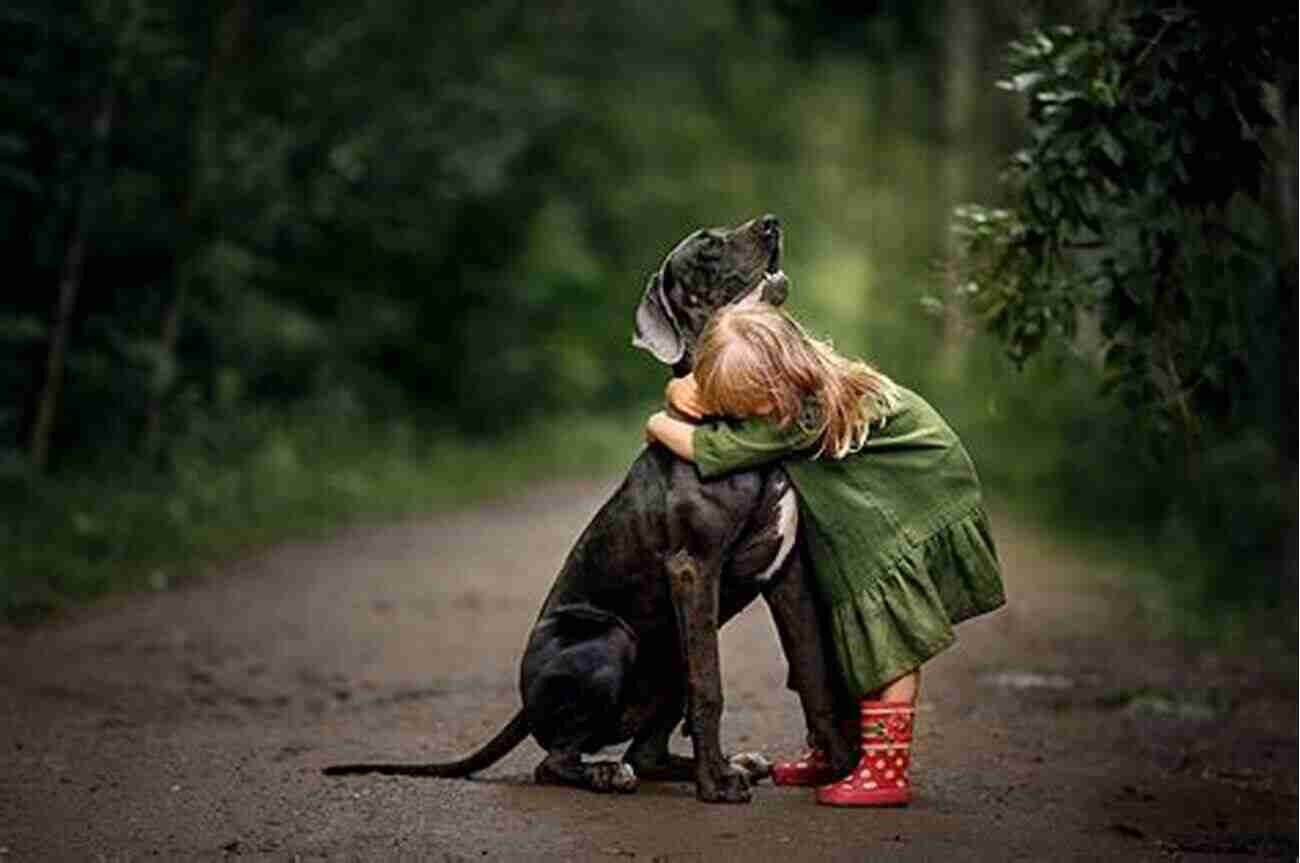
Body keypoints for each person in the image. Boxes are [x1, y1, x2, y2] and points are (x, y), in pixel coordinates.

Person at [644, 303, 1006, 807]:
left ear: (780, 379)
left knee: (891, 640)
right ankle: (839, 748)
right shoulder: (797, 384)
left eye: (751, 406)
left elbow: (717, 449)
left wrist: (658, 422)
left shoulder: (802, 413)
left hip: (912, 497)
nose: (748, 418)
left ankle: (886, 771)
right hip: (877, 502)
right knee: (851, 631)